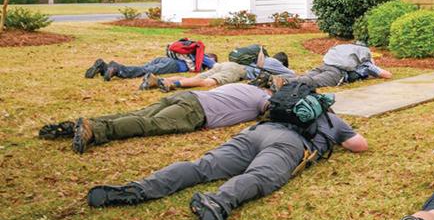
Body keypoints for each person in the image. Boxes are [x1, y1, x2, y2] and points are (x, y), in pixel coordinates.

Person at [86, 106, 367, 220]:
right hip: (289, 143)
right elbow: (359, 145)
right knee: (260, 177)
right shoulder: (333, 119)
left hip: (255, 132)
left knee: (201, 167)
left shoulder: (281, 108)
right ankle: (218, 201)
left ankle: (139, 188)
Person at [38, 82, 273, 154]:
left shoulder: (242, 85)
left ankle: (85, 124)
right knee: (147, 124)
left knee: (136, 114)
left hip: (186, 97)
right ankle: (95, 130)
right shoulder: (260, 98)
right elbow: (271, 111)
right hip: (196, 111)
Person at [151, 51, 293, 92]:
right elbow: (292, 75)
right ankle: (174, 84)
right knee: (207, 83)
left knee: (200, 77)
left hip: (225, 64)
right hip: (236, 70)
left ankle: (159, 80)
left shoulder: (259, 57)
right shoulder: (274, 63)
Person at [284, 44, 392, 89]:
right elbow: (387, 75)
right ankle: (284, 82)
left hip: (325, 65)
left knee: (306, 76)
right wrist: (373, 66)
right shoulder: (366, 63)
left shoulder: (347, 50)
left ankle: (276, 79)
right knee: (313, 82)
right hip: (336, 73)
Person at [85, 51, 217, 81]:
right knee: (143, 71)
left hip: (165, 58)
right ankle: (116, 69)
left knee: (142, 67)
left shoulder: (193, 54)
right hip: (173, 65)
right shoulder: (205, 57)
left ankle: (104, 67)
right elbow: (217, 66)